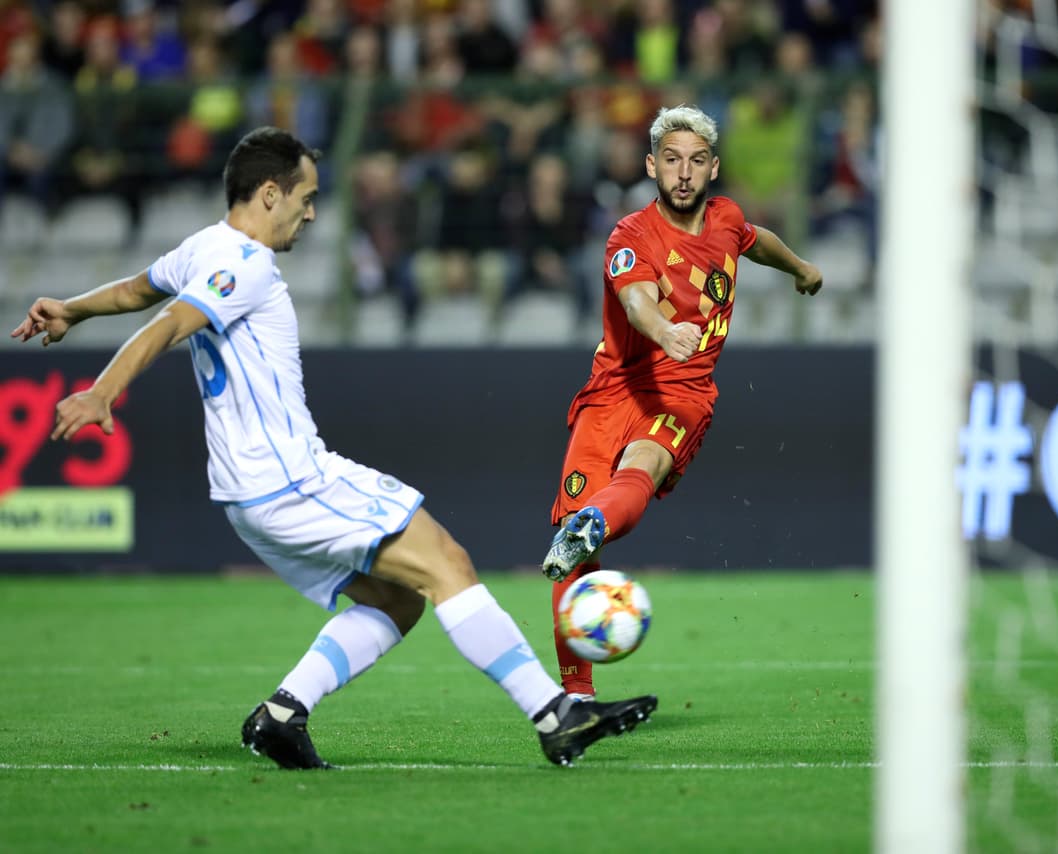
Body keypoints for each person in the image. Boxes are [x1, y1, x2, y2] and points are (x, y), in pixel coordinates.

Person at [11, 126, 656, 770]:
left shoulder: (199, 249)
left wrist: (72, 309)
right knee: (447, 563)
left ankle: (283, 715)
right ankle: (556, 714)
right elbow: (168, 321)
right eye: (306, 197)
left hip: (246, 496)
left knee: (397, 599)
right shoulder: (243, 262)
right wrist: (103, 391)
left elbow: (134, 291)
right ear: (269, 193)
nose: (312, 212)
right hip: (289, 479)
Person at [541, 105, 823, 699]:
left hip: (684, 394)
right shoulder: (631, 236)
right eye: (671, 160)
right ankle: (578, 697)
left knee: (642, 464)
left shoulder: (727, 220)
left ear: (714, 168)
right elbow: (639, 299)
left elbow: (756, 242)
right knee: (570, 551)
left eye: (696, 161)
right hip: (613, 391)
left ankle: (593, 524)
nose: (684, 173)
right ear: (652, 166)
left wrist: (799, 267)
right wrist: (663, 331)